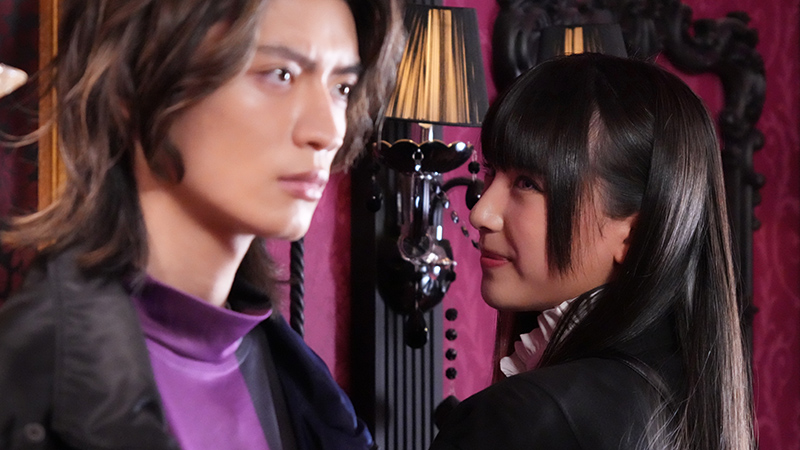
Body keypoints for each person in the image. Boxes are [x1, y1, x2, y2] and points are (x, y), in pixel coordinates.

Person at [0, 0, 403, 448]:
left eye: (342, 87)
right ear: (130, 85)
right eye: (280, 75)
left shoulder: (308, 395)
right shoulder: (28, 385)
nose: (328, 131)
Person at [430, 53, 754, 450]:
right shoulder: (690, 404)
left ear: (633, 233)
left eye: (527, 183)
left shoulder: (520, 418)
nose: (481, 212)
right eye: (491, 172)